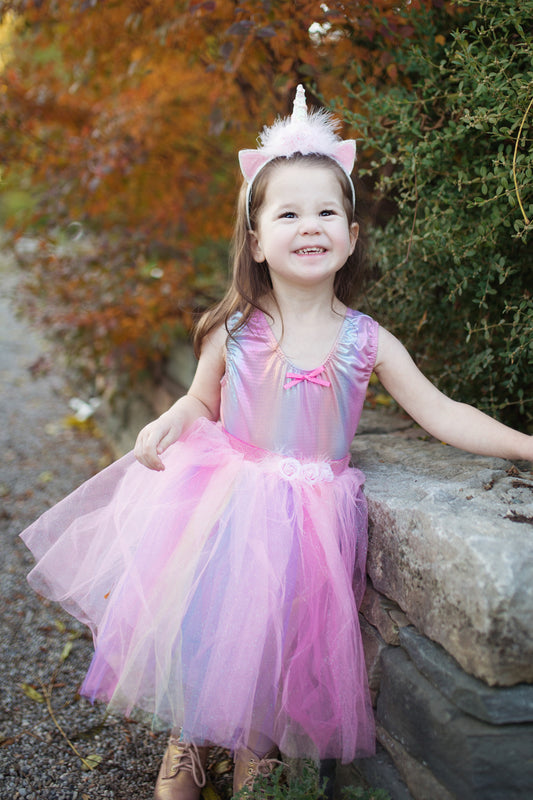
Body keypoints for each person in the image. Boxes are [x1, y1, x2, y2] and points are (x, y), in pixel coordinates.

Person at [20, 85, 532, 800]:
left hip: (312, 522)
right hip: (228, 503)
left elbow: (441, 412)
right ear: (257, 240)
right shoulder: (236, 330)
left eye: (326, 212)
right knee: (211, 626)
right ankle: (189, 742)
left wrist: (524, 445)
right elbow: (201, 400)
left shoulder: (366, 340)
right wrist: (170, 422)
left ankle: (255, 751)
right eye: (288, 213)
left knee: (277, 643)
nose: (309, 225)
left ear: (351, 234)